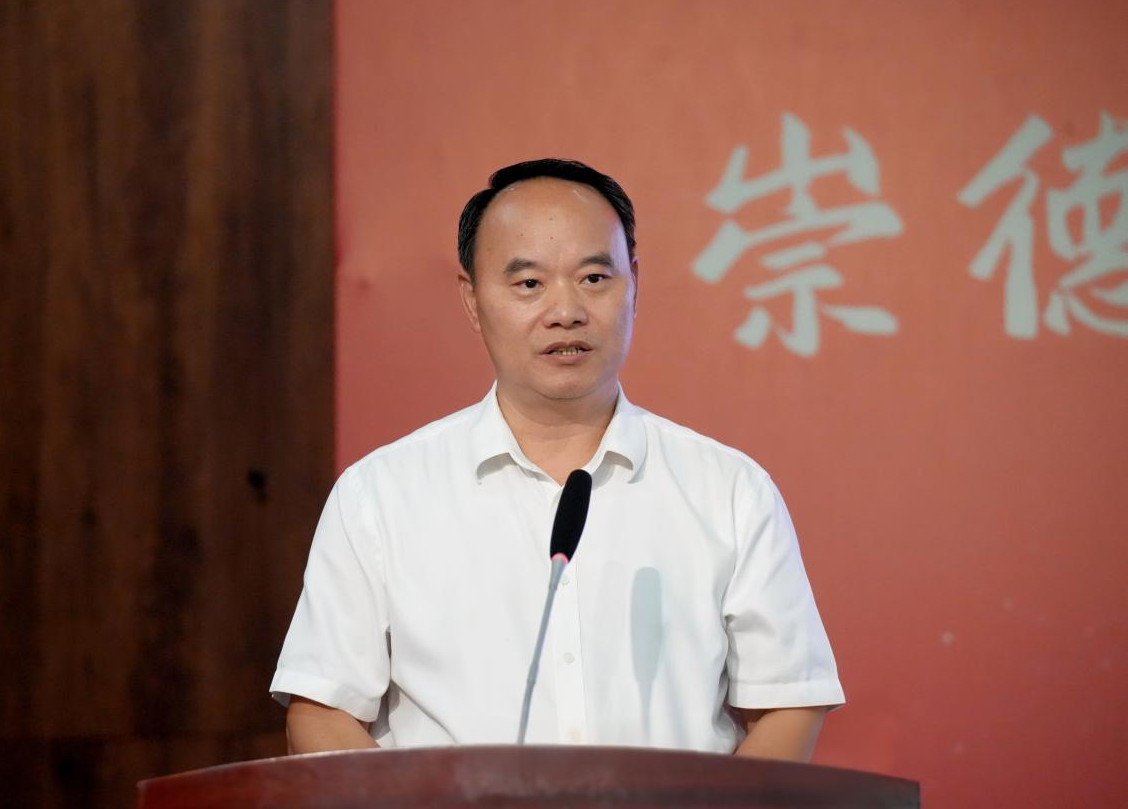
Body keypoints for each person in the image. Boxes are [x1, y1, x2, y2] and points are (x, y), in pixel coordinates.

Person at [271, 159, 844, 759]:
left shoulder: (730, 491)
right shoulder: (381, 495)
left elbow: (788, 702)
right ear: (472, 300)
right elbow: (322, 712)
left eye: (594, 278)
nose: (566, 310)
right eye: (528, 284)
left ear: (634, 284)